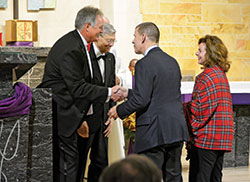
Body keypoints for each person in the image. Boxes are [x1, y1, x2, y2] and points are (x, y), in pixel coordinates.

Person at [38, 6, 122, 182]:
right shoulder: (72, 47)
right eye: (99, 27)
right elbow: (77, 88)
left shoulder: (81, 44)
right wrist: (109, 92)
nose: (101, 30)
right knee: (68, 166)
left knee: (74, 164)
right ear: (87, 26)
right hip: (65, 114)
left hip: (76, 112)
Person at [108, 22, 189, 182]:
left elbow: (142, 99)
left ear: (143, 37)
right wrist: (127, 93)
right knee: (173, 177)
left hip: (154, 132)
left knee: (148, 177)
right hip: (175, 130)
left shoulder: (144, 64)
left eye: (135, 36)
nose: (133, 41)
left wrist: (118, 111)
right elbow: (158, 95)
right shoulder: (172, 61)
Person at [183, 35, 234, 182]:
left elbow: (199, 111)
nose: (196, 53)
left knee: (201, 177)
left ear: (210, 53)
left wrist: (184, 107)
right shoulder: (220, 74)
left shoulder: (206, 77)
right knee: (215, 177)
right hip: (221, 137)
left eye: (200, 50)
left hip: (207, 138)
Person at [77, 22, 117, 182]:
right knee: (79, 162)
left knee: (101, 163)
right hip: (85, 119)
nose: (112, 44)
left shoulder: (110, 58)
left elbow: (111, 86)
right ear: (98, 37)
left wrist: (112, 113)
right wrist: (80, 120)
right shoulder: (83, 57)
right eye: (109, 40)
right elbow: (79, 89)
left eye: (114, 41)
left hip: (104, 118)